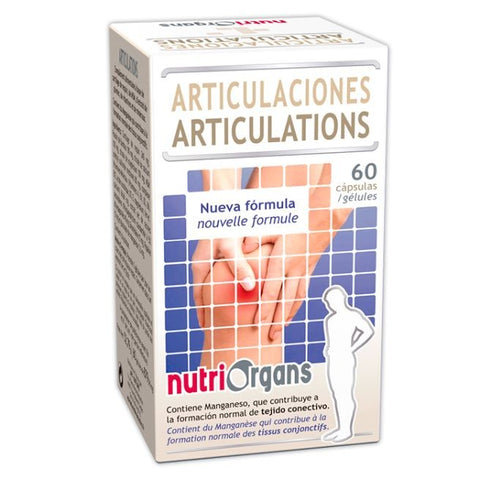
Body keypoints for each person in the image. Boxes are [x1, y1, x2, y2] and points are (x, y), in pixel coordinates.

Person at [321, 286, 375, 443]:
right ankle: (341, 427)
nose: (329, 305)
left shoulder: (353, 315)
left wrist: (352, 347)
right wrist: (328, 349)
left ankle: (346, 430)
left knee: (345, 394)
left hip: (345, 359)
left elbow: (368, 331)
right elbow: (332, 340)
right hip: (333, 359)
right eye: (328, 302)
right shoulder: (330, 319)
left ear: (340, 299)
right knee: (337, 394)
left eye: (330, 301)